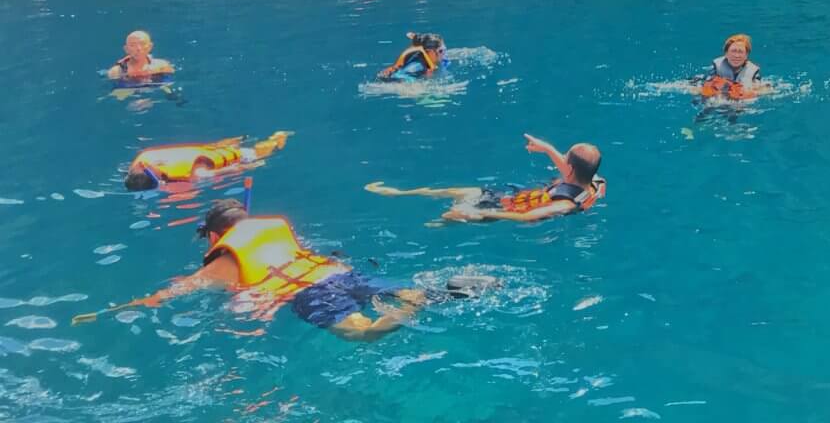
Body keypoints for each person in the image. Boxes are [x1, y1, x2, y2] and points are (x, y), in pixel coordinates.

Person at [125, 198, 429, 339]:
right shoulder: (274, 231)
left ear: (215, 236)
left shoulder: (223, 262)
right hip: (338, 272)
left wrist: (132, 305)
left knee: (364, 333)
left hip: (313, 293)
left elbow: (171, 293)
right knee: (408, 293)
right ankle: (420, 299)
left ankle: (400, 316)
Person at [366, 134, 605, 223]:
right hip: (509, 198)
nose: (560, 158)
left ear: (571, 170)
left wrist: (480, 214)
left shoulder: (566, 204)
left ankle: (434, 224)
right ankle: (400, 193)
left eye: (564, 156)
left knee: (452, 214)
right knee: (464, 191)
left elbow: (529, 217)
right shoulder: (593, 181)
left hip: (503, 212)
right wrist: (547, 149)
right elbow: (570, 170)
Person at [124, 131, 291, 191]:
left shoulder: (193, 174)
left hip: (235, 154)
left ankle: (276, 140)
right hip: (208, 149)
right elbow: (226, 171)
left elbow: (232, 170)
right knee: (220, 148)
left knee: (259, 153)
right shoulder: (144, 161)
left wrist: (252, 164)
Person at [701, 33, 764, 99]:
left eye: (740, 52)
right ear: (726, 53)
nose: (736, 56)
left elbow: (761, 91)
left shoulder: (754, 74)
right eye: (733, 51)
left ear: (746, 55)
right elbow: (700, 88)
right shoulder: (715, 69)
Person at [106, 31, 175, 83]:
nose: (138, 48)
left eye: (142, 44)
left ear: (150, 47)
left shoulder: (162, 66)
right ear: (126, 49)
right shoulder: (116, 72)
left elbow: (168, 84)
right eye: (133, 45)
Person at [377, 32, 446, 81]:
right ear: (430, 52)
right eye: (441, 51)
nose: (444, 54)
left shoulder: (427, 58)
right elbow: (399, 77)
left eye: (444, 49)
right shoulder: (417, 66)